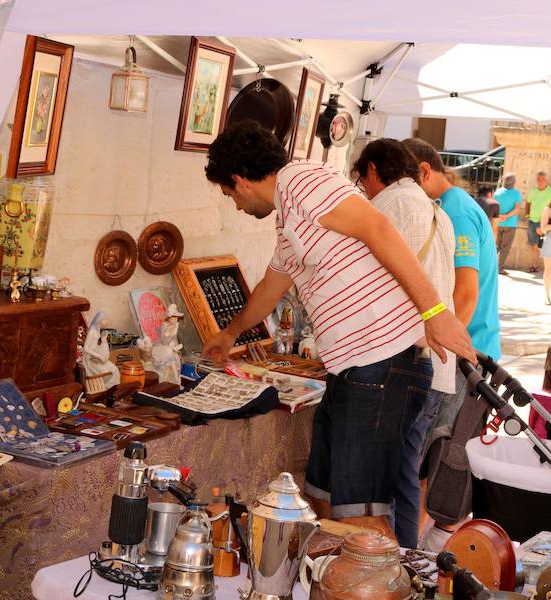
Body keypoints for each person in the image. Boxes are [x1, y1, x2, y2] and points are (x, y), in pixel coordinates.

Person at [202, 122, 475, 538]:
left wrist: (434, 310)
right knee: (324, 496)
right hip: (354, 368)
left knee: (361, 515)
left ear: (239, 181)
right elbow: (271, 287)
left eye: (228, 195)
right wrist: (228, 334)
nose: (236, 207)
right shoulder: (289, 215)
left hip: (379, 363)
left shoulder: (301, 181)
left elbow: (379, 228)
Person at [352, 138, 456, 549]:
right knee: (405, 471)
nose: (363, 190)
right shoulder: (437, 212)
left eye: (363, 180)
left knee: (384, 476)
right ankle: (408, 561)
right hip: (433, 362)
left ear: (375, 171)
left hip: (402, 361)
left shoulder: (389, 206)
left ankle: (388, 565)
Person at [403, 136, 500, 547]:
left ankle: (416, 553)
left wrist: (439, 352)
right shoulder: (455, 207)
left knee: (430, 459)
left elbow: (465, 293)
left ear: (425, 172)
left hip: (461, 357)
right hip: (464, 352)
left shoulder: (456, 211)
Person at [525, 171, 551, 273]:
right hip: (532, 221)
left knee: (544, 246)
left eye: (542, 179)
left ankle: (548, 268)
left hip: (544, 223)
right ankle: (534, 266)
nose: (540, 181)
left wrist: (547, 224)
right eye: (538, 179)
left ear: (547, 181)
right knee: (533, 245)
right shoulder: (533, 191)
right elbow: (528, 203)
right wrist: (527, 216)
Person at [494, 173, 522, 274]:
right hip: (510, 224)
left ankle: (490, 266)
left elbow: (494, 206)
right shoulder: (516, 194)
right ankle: (499, 268)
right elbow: (517, 209)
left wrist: (500, 216)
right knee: (505, 247)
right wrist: (506, 216)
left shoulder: (497, 193)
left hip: (498, 223)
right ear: (514, 183)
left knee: (496, 246)